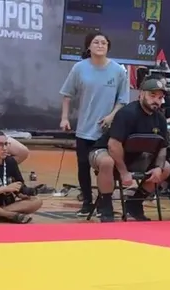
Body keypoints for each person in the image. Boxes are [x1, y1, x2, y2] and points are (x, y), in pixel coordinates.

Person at [60, 31, 130, 218]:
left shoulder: (118, 71)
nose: (100, 45)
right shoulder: (79, 68)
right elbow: (67, 94)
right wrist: (65, 118)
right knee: (83, 166)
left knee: (105, 166)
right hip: (85, 128)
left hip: (107, 130)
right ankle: (86, 202)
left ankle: (103, 203)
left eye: (103, 43)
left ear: (108, 47)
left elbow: (122, 100)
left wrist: (111, 116)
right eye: (96, 42)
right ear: (89, 46)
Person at [87, 77, 170, 222]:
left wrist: (158, 167)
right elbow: (113, 145)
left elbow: (163, 147)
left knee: (166, 168)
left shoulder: (160, 119)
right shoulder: (127, 113)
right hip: (105, 151)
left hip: (134, 156)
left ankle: (134, 203)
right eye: (152, 95)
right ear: (141, 94)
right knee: (107, 162)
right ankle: (106, 206)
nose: (156, 100)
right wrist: (124, 172)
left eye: (160, 97)